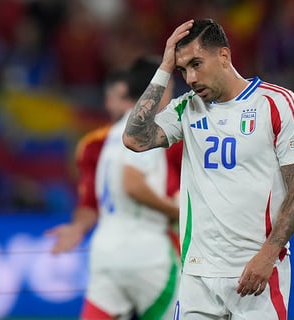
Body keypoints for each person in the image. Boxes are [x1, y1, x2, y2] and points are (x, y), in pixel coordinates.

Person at [122, 18, 294, 319]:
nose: (190, 77)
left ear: (224, 56)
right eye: (183, 69)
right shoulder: (186, 108)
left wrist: (268, 256)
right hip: (197, 275)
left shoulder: (278, 104)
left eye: (197, 63)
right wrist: (163, 68)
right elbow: (134, 138)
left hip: (256, 272)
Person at [47, 58, 181, 320]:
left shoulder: (107, 136)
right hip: (146, 253)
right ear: (158, 90)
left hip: (105, 252)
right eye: (170, 89)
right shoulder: (143, 130)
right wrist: (177, 212)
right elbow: (131, 183)